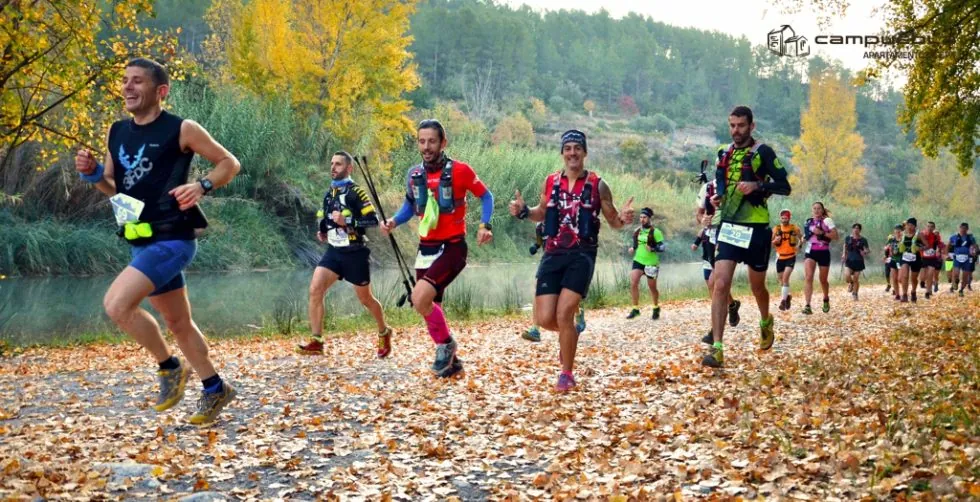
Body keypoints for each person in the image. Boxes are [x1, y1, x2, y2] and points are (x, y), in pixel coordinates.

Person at [74, 58, 240, 425]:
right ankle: (215, 388)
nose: (128, 87)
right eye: (125, 80)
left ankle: (169, 367)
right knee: (178, 322)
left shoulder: (182, 128)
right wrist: (93, 174)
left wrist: (202, 185)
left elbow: (230, 163)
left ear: (160, 91)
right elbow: (114, 188)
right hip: (140, 239)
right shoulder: (117, 131)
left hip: (174, 238)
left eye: (137, 81)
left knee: (117, 305)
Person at [509, 130, 635, 390]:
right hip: (552, 254)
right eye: (568, 148)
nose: (572, 153)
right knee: (545, 318)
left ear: (585, 152)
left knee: (564, 313)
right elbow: (541, 212)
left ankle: (566, 374)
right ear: (562, 153)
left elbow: (613, 221)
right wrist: (523, 212)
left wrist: (623, 219)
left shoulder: (598, 185)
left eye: (577, 148)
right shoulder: (551, 181)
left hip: (582, 255)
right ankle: (569, 338)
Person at [381, 120, 494, 377]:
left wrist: (485, 225)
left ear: (443, 143)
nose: (426, 146)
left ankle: (447, 345)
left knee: (419, 298)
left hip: (453, 248)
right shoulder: (413, 174)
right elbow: (410, 206)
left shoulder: (461, 171)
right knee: (429, 307)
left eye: (432, 141)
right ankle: (452, 364)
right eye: (422, 141)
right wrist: (393, 221)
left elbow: (486, 196)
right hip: (426, 249)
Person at [702, 106, 791, 368]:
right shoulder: (723, 152)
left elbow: (785, 186)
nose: (736, 131)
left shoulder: (763, 152)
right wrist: (717, 197)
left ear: (752, 126)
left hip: (756, 229)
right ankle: (717, 348)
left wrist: (757, 185)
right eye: (732, 125)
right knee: (720, 284)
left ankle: (765, 320)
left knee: (757, 287)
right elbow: (720, 182)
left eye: (741, 125)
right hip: (729, 227)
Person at [297, 152, 392, 357]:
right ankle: (317, 340)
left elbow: (373, 220)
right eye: (332, 163)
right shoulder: (329, 194)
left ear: (349, 168)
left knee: (365, 299)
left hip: (355, 252)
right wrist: (323, 231)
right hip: (334, 252)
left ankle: (384, 331)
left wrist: (347, 221)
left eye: (338, 164)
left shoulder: (357, 193)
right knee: (315, 289)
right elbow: (327, 219)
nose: (333, 167)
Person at [693, 180, 741, 330]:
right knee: (712, 282)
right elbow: (699, 214)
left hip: (728, 234)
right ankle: (731, 305)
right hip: (710, 236)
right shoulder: (707, 187)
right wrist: (703, 219)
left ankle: (716, 327)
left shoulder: (737, 185)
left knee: (714, 281)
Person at [627, 208, 666, 319]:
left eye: (644, 217)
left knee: (652, 287)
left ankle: (655, 307)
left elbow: (662, 247)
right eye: (640, 217)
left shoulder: (656, 232)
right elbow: (636, 244)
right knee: (633, 283)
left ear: (649, 218)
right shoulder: (637, 231)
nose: (642, 219)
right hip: (638, 260)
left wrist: (653, 249)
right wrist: (632, 248)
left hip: (651, 262)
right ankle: (635, 309)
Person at [801, 201, 838, 314]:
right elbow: (807, 235)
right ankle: (807, 305)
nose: (816, 210)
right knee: (808, 277)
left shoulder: (827, 221)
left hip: (823, 252)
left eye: (819, 208)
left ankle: (826, 298)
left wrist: (821, 233)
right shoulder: (809, 222)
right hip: (810, 251)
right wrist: (801, 240)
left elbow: (836, 236)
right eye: (814, 208)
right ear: (812, 210)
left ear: (822, 210)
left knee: (823, 280)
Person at [771, 209, 802, 311]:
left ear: (789, 218)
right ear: (780, 218)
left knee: (785, 278)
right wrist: (775, 241)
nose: (784, 220)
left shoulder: (794, 228)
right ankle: (788, 296)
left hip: (791, 257)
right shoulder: (776, 229)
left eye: (786, 218)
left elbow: (802, 238)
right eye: (782, 218)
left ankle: (783, 301)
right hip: (780, 257)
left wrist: (799, 246)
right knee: (781, 281)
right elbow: (770, 244)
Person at [897, 217, 926, 303]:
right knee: (905, 276)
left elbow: (927, 245)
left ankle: (913, 291)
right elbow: (897, 242)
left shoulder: (919, 235)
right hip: (904, 257)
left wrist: (919, 248)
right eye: (908, 225)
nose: (909, 227)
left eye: (912, 225)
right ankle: (904, 295)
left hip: (916, 258)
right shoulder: (902, 234)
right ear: (906, 226)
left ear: (915, 226)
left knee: (914, 278)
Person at [947, 222, 977, 297]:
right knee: (956, 274)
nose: (963, 230)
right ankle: (956, 282)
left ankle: (961, 290)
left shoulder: (971, 238)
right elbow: (948, 246)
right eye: (962, 228)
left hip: (967, 258)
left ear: (967, 229)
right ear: (959, 228)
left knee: (965, 276)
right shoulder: (953, 237)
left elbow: (975, 247)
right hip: (957, 258)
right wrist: (947, 254)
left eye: (965, 228)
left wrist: (974, 252)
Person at [842, 223, 870, 300]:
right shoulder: (848, 238)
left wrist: (864, 252)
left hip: (859, 261)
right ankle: (851, 283)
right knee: (847, 276)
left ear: (860, 230)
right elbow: (845, 246)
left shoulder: (863, 239)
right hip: (849, 260)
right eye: (854, 228)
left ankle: (855, 294)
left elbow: (868, 250)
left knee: (856, 278)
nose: (856, 229)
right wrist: (844, 254)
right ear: (852, 229)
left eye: (857, 228)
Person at [918, 221, 943, 299]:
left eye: (932, 226)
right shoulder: (922, 235)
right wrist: (921, 248)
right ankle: (922, 281)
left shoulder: (936, 236)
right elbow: (916, 244)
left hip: (932, 258)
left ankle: (928, 292)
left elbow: (940, 244)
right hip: (923, 258)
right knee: (923, 277)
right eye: (928, 226)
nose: (930, 228)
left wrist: (942, 248)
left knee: (930, 274)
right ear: (926, 227)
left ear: (934, 228)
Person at [883, 224, 903, 300]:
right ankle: (897, 295)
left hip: (902, 260)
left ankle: (904, 291)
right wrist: (885, 254)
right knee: (894, 278)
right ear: (894, 231)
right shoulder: (891, 239)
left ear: (902, 231)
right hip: (893, 260)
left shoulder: (904, 239)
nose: (898, 231)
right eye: (896, 229)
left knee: (900, 279)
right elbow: (886, 247)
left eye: (899, 229)